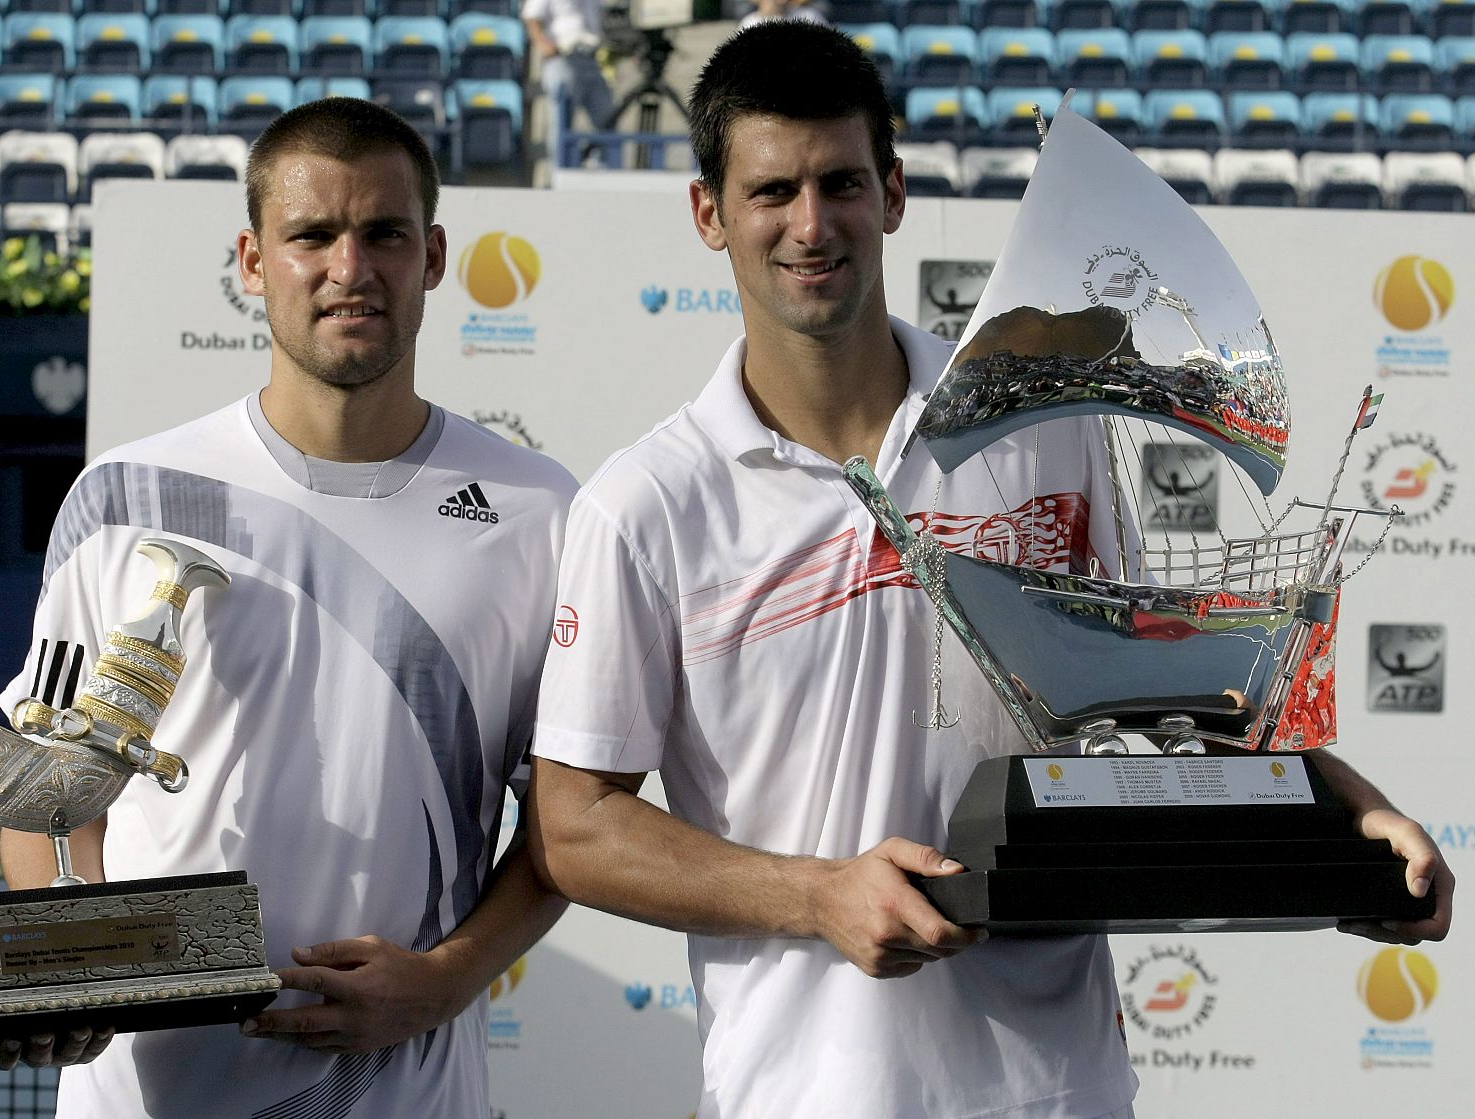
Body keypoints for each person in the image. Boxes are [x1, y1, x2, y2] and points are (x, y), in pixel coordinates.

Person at [527, 22, 1453, 1119]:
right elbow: (575, 828)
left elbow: (1141, 693)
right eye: (772, 191)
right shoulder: (648, 504)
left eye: (840, 183)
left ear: (896, 193)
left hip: (1055, 1088)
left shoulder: (1040, 430)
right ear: (708, 214)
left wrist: (1345, 812)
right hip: (810, 1092)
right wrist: (817, 896)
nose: (810, 225)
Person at [0, 97, 576, 1118]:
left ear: (433, 255)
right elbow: (43, 791)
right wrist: (59, 955)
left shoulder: (540, 511)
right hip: (148, 1094)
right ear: (253, 262)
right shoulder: (120, 500)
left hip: (406, 1095)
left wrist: (445, 979)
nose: (349, 268)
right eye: (312, 235)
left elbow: (576, 820)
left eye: (383, 234)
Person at [523, 0, 617, 162]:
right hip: (563, 58)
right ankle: (560, 171)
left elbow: (606, 18)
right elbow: (532, 17)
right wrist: (545, 46)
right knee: (562, 121)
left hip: (592, 59)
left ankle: (604, 168)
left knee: (607, 117)